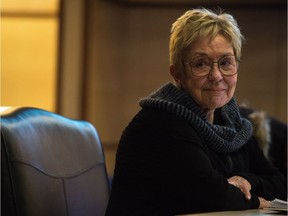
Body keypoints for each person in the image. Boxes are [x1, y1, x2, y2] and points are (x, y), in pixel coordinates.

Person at [105, 8, 287, 216]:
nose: (216, 75)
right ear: (178, 74)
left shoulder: (233, 124)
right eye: (201, 64)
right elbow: (215, 195)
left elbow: (280, 185)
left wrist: (246, 180)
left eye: (226, 62)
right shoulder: (160, 123)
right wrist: (253, 198)